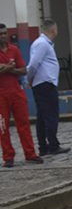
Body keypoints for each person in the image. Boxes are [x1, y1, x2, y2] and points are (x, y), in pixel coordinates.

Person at [0, 24, 43, 167]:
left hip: (16, 92)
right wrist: (10, 67)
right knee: (3, 127)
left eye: (5, 33)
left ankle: (30, 154)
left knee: (23, 123)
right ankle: (8, 157)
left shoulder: (14, 50)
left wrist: (8, 69)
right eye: (1, 34)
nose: (3, 36)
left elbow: (23, 69)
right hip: (1, 94)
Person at [26, 19, 67, 156]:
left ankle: (44, 147)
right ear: (53, 30)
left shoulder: (43, 44)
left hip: (43, 83)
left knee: (43, 116)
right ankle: (53, 145)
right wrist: (29, 78)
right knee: (50, 116)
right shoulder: (42, 44)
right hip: (45, 84)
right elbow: (33, 64)